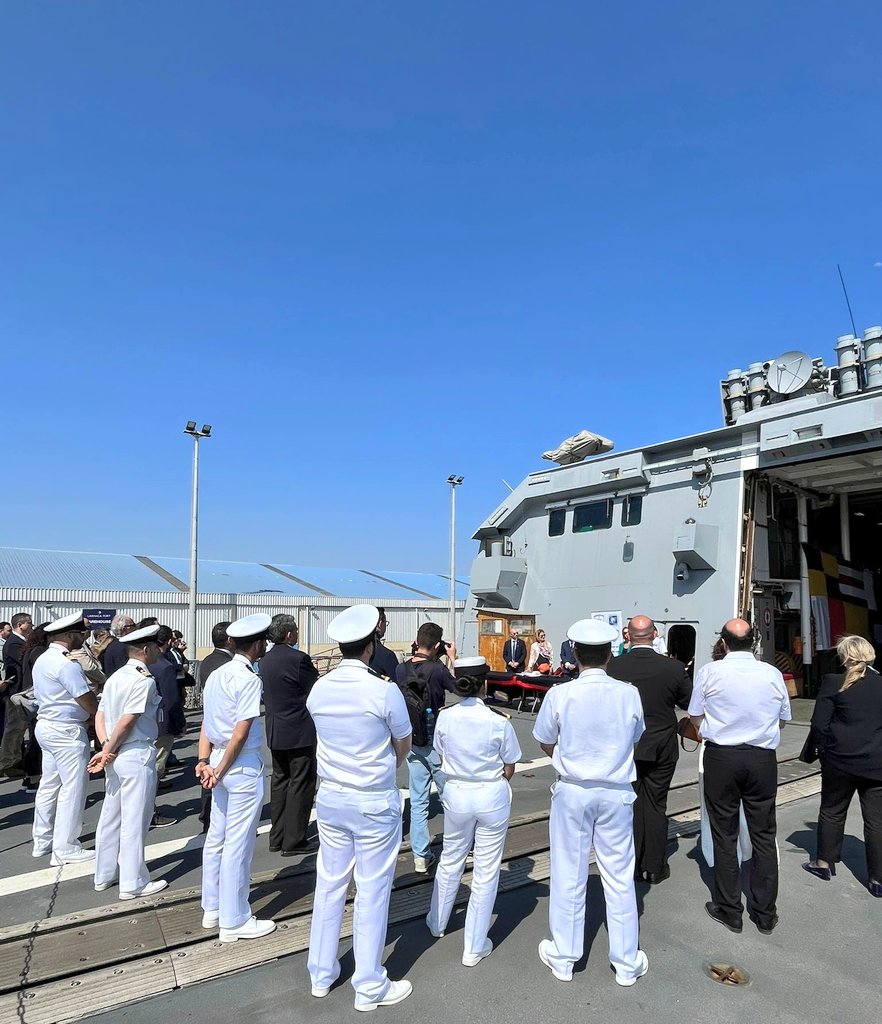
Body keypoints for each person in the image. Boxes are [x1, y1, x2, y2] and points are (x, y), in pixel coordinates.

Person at [306, 604, 413, 1011]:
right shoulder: (382, 689)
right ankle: (369, 984)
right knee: (371, 889)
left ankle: (321, 970)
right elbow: (402, 742)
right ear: (371, 645)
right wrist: (385, 762)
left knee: (330, 882)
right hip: (371, 799)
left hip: (331, 797)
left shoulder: (321, 687)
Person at [533, 619, 647, 987]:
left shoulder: (560, 694)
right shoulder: (628, 693)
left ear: (576, 654)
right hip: (615, 791)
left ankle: (565, 957)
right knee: (618, 875)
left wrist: (568, 759)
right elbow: (635, 736)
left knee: (568, 871)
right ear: (610, 654)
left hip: (573, 790)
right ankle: (627, 962)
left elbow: (544, 740)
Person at [688, 618, 791, 934]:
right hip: (761, 758)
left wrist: (708, 730)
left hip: (723, 757)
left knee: (724, 832)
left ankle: (730, 909)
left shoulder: (709, 672)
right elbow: (784, 718)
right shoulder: (772, 673)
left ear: (723, 643)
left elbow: (694, 715)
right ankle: (765, 913)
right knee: (763, 833)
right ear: (755, 642)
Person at [426, 657, 521, 967]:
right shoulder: (498, 720)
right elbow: (510, 765)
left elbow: (440, 753)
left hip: (456, 794)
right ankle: (474, 946)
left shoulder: (446, 717)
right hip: (491, 795)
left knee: (451, 858)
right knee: (486, 870)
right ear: (486, 682)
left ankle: (437, 922)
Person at [197, 613, 276, 943]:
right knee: (239, 844)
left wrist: (206, 762)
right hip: (238, 765)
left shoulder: (217, 674)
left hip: (217, 758)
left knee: (217, 836)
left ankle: (212, 907)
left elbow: (206, 722)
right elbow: (241, 732)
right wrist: (222, 767)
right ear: (257, 645)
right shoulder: (248, 679)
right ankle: (235, 919)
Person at [607, 614, 692, 883]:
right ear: (655, 634)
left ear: (628, 636)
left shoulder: (613, 668)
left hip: (625, 746)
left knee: (627, 805)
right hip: (662, 745)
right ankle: (654, 866)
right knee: (656, 804)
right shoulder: (674, 668)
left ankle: (630, 865)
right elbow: (691, 703)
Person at [87, 624, 168, 899]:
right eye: (156, 647)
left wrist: (105, 748)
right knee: (135, 819)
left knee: (111, 815)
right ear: (146, 650)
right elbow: (129, 719)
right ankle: (133, 882)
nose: (158, 650)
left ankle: (103, 874)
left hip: (115, 752)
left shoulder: (116, 677)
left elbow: (100, 716)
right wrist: (109, 748)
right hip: (133, 751)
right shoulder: (142, 680)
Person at [803, 635, 882, 897]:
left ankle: (824, 863)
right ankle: (877, 879)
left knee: (832, 811)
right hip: (876, 763)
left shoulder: (833, 683)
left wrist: (823, 751)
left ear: (844, 657)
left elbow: (819, 725)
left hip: (838, 761)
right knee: (876, 821)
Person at [31, 611, 99, 864]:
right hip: (66, 730)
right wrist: (97, 711)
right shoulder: (66, 663)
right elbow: (85, 699)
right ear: (70, 635)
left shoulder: (45, 658)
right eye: (82, 634)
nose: (84, 638)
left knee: (49, 784)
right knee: (73, 787)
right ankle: (66, 846)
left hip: (47, 725)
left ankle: (43, 839)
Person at [394, 621, 457, 872]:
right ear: (438, 645)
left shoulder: (400, 670)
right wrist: (453, 658)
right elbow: (462, 689)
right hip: (436, 742)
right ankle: (457, 848)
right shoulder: (438, 670)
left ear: (416, 641)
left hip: (411, 740)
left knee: (418, 800)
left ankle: (421, 855)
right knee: (449, 797)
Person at [261, 613, 319, 856]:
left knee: (280, 781)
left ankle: (278, 836)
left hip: (276, 728)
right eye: (294, 630)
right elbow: (314, 688)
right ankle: (294, 840)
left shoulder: (265, 660)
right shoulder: (298, 659)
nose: (296, 634)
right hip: (299, 728)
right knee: (301, 783)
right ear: (288, 634)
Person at [193, 620, 234, 832]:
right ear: (229, 640)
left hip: (210, 726)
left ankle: (206, 815)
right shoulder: (226, 665)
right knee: (217, 777)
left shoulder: (208, 660)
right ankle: (209, 818)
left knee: (209, 773)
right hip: (223, 729)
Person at [0, 612, 33, 780]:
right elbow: (25, 661)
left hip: (21, 691)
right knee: (14, 728)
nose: (32, 626)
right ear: (20, 624)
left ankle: (15, 760)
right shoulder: (14, 643)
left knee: (19, 728)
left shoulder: (19, 641)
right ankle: (6, 763)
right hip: (15, 692)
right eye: (29, 623)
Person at [369, 607, 400, 679]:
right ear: (380, 623)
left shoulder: (356, 652)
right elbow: (398, 686)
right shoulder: (387, 656)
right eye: (385, 622)